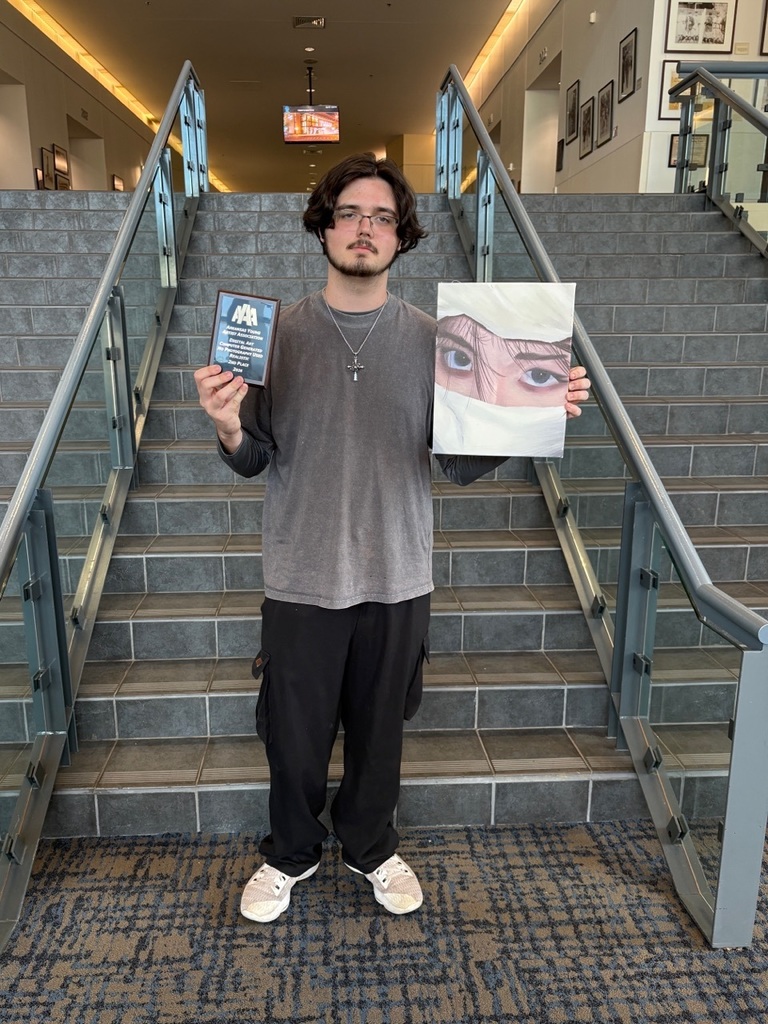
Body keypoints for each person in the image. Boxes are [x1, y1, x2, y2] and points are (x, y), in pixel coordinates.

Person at [194, 153, 591, 924]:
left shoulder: (440, 340)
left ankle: (371, 845)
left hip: (399, 574)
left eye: (381, 216)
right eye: (349, 213)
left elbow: (458, 461)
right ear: (324, 226)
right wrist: (223, 421)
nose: (364, 228)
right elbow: (252, 459)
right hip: (302, 576)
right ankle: (289, 853)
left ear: (402, 235)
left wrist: (531, 417)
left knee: (381, 736)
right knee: (295, 740)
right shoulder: (277, 337)